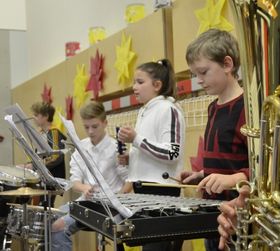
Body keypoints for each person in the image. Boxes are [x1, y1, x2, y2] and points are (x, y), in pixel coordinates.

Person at [179, 29, 249, 251]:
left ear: (227, 64)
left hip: (239, 216)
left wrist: (235, 179)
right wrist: (202, 174)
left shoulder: (247, 107)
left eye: (203, 72)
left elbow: (265, 169)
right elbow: (225, 157)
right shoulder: (213, 107)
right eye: (194, 74)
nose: (198, 80)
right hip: (212, 212)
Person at [117, 58, 185, 251]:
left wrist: (136, 139)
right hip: (144, 190)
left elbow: (172, 152)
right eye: (134, 82)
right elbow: (151, 150)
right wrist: (131, 158)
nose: (134, 87)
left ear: (157, 85)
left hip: (161, 191)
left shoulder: (168, 109)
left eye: (140, 82)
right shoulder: (144, 111)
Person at [51, 101, 128, 251]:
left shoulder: (115, 148)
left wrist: (118, 201)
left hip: (109, 207)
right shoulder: (82, 147)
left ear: (105, 123)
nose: (90, 131)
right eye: (86, 127)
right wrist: (84, 187)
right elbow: (74, 181)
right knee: (49, 219)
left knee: (58, 228)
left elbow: (128, 181)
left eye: (95, 126)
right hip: (86, 202)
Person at [31, 101, 66, 207]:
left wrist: (34, 166)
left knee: (45, 206)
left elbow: (56, 157)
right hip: (42, 176)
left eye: (36, 115)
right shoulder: (41, 133)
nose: (33, 117)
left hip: (52, 177)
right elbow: (38, 157)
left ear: (46, 116)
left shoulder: (54, 132)